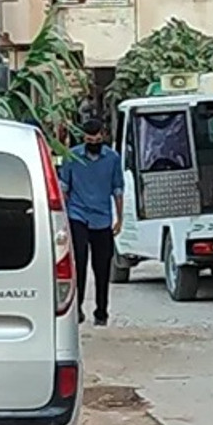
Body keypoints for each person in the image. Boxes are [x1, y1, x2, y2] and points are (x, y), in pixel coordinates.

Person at [57, 118, 124, 326]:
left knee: (102, 267)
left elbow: (118, 190)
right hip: (77, 215)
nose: (93, 142)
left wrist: (119, 218)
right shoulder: (73, 157)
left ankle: (101, 311)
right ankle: (76, 310)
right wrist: (62, 219)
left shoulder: (113, 159)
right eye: (89, 139)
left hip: (102, 218)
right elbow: (64, 189)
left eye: (96, 138)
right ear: (84, 139)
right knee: (79, 264)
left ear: (102, 136)